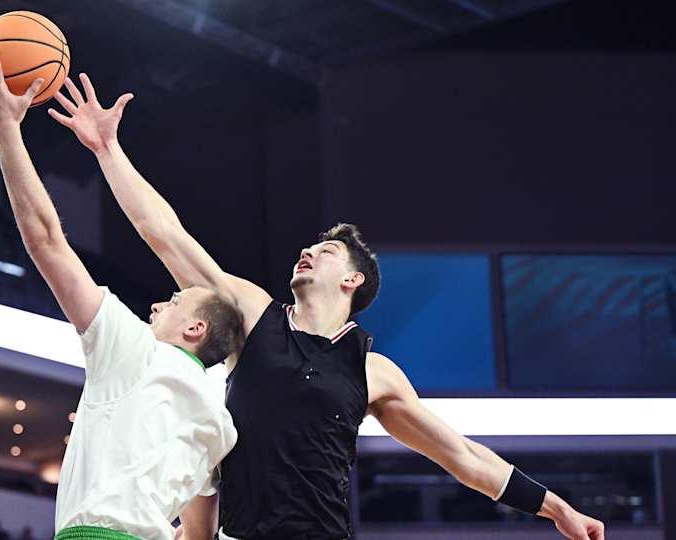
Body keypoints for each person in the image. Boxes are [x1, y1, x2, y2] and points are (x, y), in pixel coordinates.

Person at [47, 72, 607, 540]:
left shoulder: (373, 372)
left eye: (328, 250)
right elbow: (163, 232)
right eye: (310, 246)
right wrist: (107, 148)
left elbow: (463, 457)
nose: (308, 252)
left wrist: (557, 507)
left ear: (353, 280)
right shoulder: (253, 317)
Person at [0, 50, 241, 540]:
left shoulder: (136, 349)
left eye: (173, 303)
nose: (157, 306)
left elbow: (46, 240)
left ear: (195, 329)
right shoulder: (219, 421)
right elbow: (199, 534)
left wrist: (5, 125)